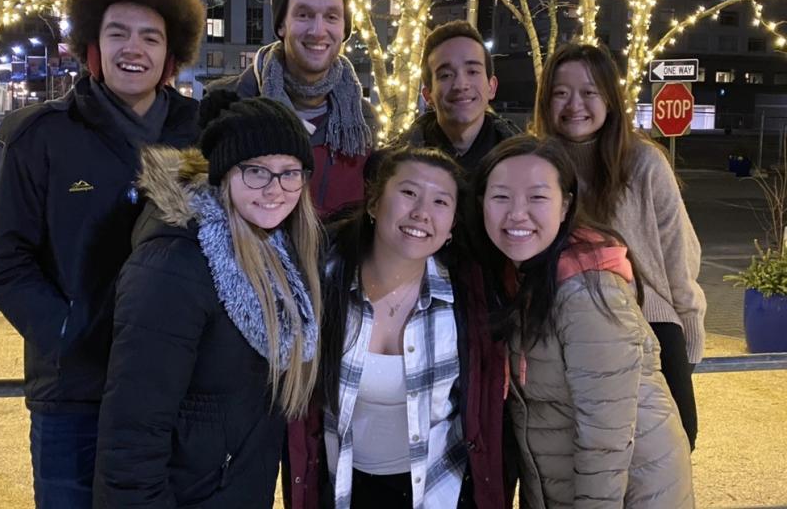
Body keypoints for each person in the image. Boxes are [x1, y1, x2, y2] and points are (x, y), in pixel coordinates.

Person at [0, 0, 204, 508]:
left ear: (170, 53)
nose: (134, 49)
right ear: (93, 46)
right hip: (74, 396)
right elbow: (5, 257)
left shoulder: (198, 133)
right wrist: (65, 330)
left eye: (150, 37)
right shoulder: (43, 137)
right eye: (118, 34)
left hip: (173, 389)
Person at [93, 93, 323, 507]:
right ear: (223, 175)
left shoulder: (276, 249)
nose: (275, 189)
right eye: (255, 171)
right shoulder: (175, 265)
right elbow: (132, 436)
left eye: (290, 173)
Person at [474, 135, 694, 508]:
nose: (516, 213)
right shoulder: (524, 276)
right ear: (480, 204)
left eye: (538, 197)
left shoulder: (587, 290)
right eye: (501, 197)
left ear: (565, 206)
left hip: (632, 493)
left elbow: (605, 439)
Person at [288, 147, 507, 509]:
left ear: (452, 226)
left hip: (438, 489)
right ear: (374, 204)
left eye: (440, 202)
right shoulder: (321, 284)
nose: (422, 213)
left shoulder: (467, 300)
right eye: (408, 193)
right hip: (341, 485)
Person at [531, 43, 705, 450]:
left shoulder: (644, 163)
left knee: (662, 463)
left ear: (610, 98)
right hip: (566, 335)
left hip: (653, 327)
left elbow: (680, 257)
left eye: (590, 92)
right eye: (561, 92)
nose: (575, 104)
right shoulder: (536, 166)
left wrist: (690, 335)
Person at [209, 0, 375, 216]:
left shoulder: (362, 120)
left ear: (344, 30)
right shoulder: (226, 103)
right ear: (281, 26)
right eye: (304, 15)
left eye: (331, 17)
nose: (318, 31)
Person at [398, 20, 519, 171]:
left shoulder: (525, 164)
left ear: (491, 87)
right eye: (446, 75)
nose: (461, 85)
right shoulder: (393, 167)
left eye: (472, 72)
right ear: (428, 95)